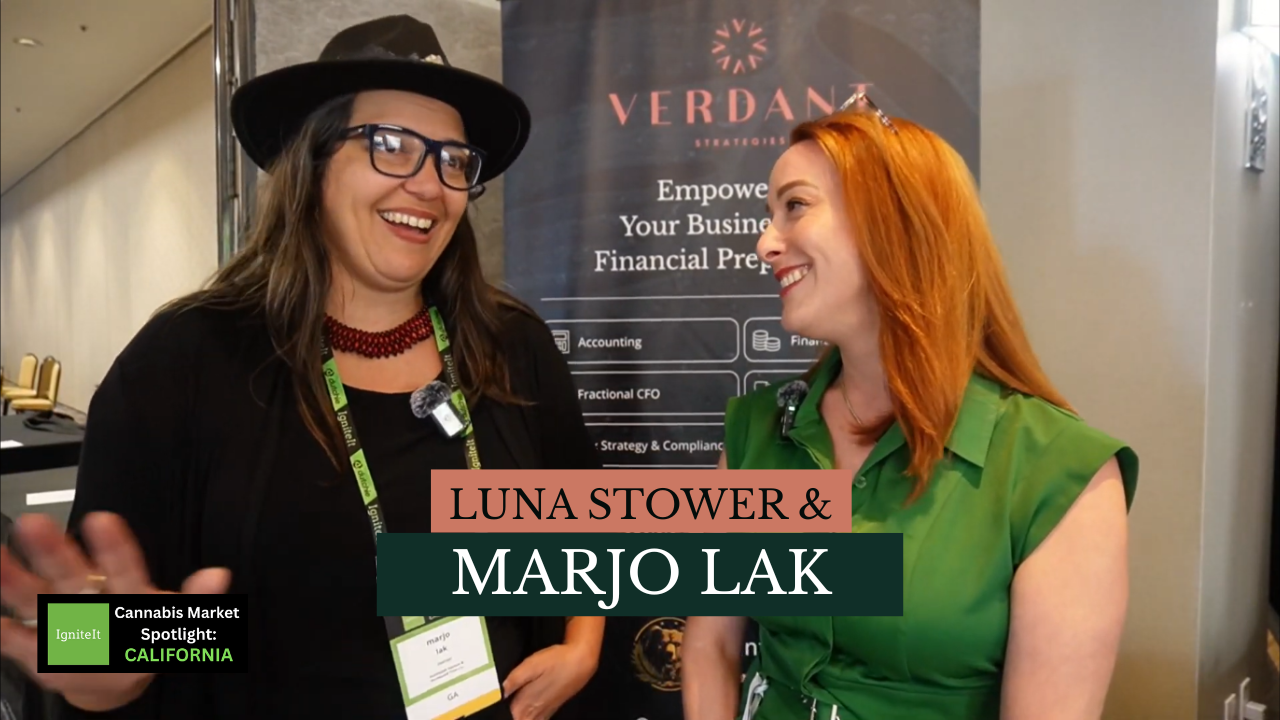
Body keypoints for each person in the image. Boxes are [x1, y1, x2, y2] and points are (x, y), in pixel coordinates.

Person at [0, 15, 603, 720]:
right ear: (310, 162)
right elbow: (119, 639)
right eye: (390, 145)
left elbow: (579, 512)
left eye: (453, 159)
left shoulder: (510, 344)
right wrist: (99, 658)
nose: (430, 184)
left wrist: (583, 644)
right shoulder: (187, 360)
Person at [682, 95, 1139, 720]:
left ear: (895, 224)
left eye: (795, 207)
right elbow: (710, 643)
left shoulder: (1057, 478)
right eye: (769, 215)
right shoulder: (755, 434)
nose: (765, 243)